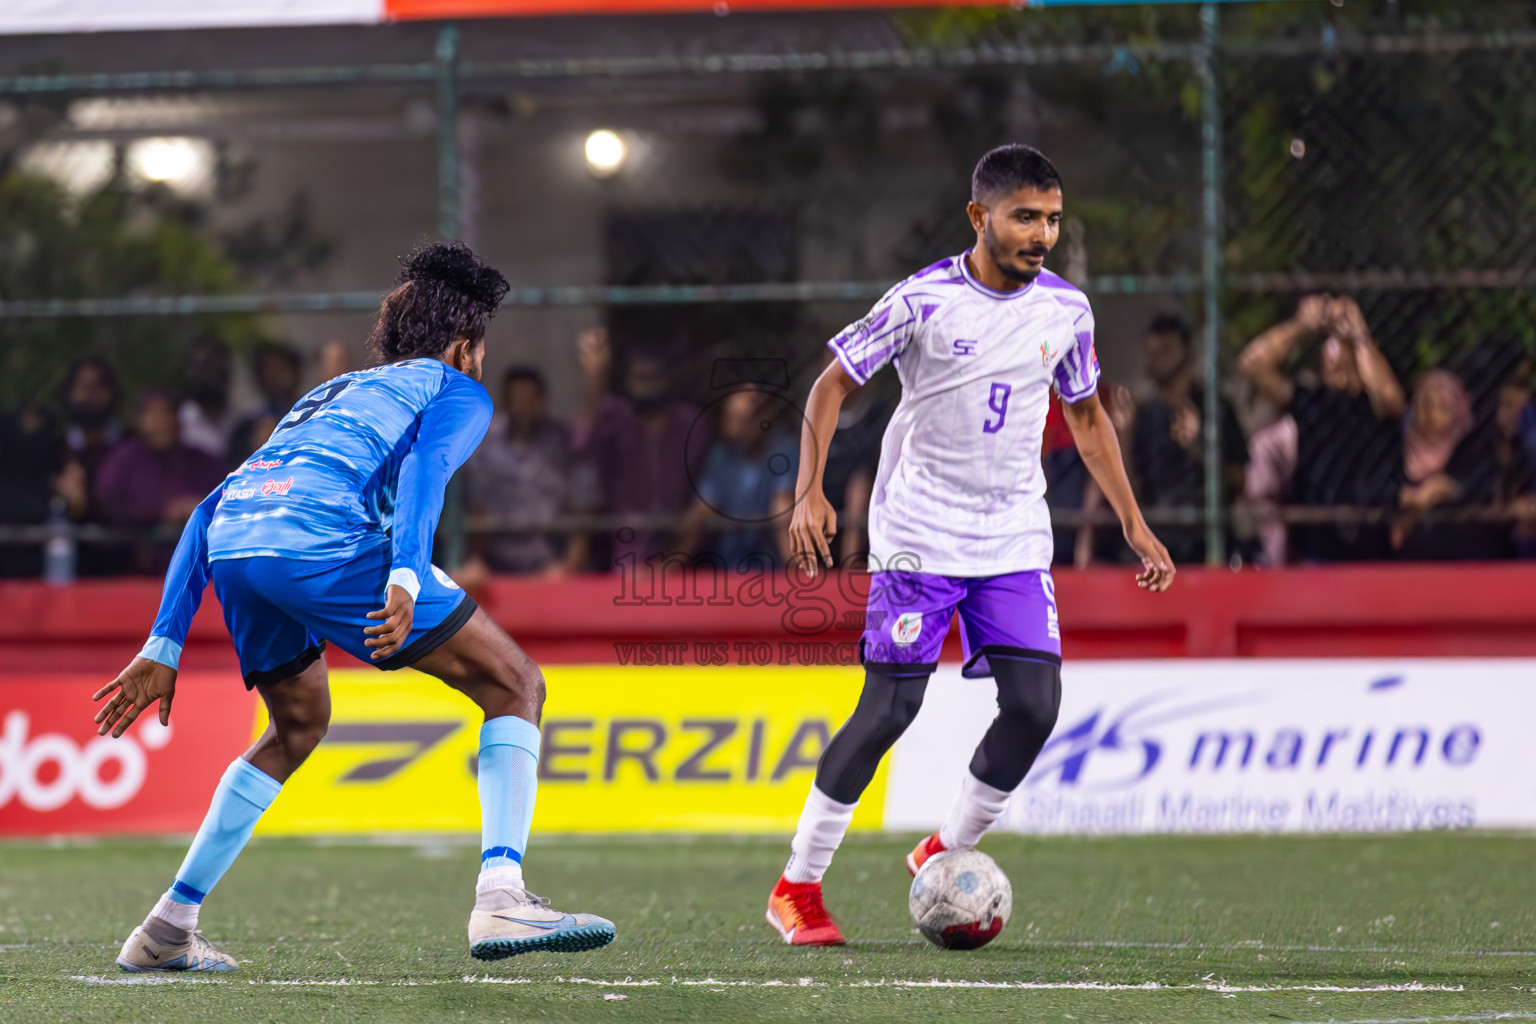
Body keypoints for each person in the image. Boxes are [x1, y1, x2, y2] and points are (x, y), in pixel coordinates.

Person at [93, 242, 614, 974]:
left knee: (298, 726)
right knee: (515, 684)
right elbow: (428, 470)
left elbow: (212, 507)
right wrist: (405, 576)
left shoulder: (331, 393)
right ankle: (502, 893)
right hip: (320, 543)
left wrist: (164, 642)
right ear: (465, 347)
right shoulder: (454, 388)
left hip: (239, 550)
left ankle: (167, 927)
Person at [766, 144, 1175, 947]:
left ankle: (945, 850)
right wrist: (809, 490)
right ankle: (797, 886)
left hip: (1014, 535)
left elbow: (1087, 417)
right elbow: (830, 384)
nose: (1041, 234)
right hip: (919, 531)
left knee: (1035, 706)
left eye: (1052, 219)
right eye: (1025, 217)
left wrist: (1133, 521)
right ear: (979, 216)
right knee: (891, 707)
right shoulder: (922, 302)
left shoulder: (1066, 312)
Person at [1236, 294, 1405, 562]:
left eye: (1345, 355)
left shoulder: (1373, 406)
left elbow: (1390, 399)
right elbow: (1252, 364)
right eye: (1332, 356)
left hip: (1373, 544)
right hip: (1318, 545)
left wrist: (1358, 332)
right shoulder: (1310, 401)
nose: (1338, 365)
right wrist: (1300, 325)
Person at [573, 327, 708, 568]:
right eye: (640, 379)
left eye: (655, 379)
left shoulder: (690, 424)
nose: (648, 388)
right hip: (627, 543)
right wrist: (594, 376)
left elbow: (704, 492)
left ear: (668, 379)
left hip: (680, 543)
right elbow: (584, 440)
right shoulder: (616, 417)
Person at [1129, 314, 1247, 565]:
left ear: (1187, 352)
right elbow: (1133, 489)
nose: (1157, 357)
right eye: (1152, 350)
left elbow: (1239, 478)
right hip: (1158, 543)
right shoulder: (1145, 414)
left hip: (1207, 542)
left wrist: (1199, 447)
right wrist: (1122, 437)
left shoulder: (1215, 407)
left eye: (1166, 349)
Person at [459, 366, 596, 578]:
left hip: (552, 563)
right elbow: (479, 510)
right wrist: (475, 559)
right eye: (516, 399)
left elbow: (583, 502)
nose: (522, 407)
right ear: (504, 400)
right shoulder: (486, 445)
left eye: (529, 399)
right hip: (498, 564)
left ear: (542, 401)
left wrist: (570, 564)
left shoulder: (563, 442)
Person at [94, 391, 226, 574]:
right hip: (138, 566)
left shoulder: (201, 460)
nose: (151, 420)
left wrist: (196, 507)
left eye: (158, 413)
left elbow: (229, 499)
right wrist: (160, 512)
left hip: (198, 564)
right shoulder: (124, 459)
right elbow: (106, 500)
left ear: (174, 417)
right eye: (146, 413)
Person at [1391, 370, 1501, 560]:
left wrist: (1444, 490)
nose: (1430, 416)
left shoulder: (1476, 450)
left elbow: (1483, 492)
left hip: (1470, 566)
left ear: (1457, 410)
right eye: (1424, 405)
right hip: (1407, 570)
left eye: (1441, 407)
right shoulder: (1395, 452)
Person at [682, 388, 798, 568]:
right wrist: (672, 562)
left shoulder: (783, 450)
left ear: (763, 418)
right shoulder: (720, 455)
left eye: (741, 420)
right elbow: (703, 508)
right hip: (728, 564)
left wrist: (796, 570)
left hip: (773, 565)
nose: (733, 429)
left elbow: (782, 508)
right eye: (729, 419)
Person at [229, 343, 304, 465]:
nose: (274, 375)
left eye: (281, 367)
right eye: (267, 370)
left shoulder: (315, 414)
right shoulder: (247, 428)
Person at [178, 337, 235, 460]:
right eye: (200, 367)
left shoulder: (239, 416)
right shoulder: (181, 422)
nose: (208, 374)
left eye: (212, 364)